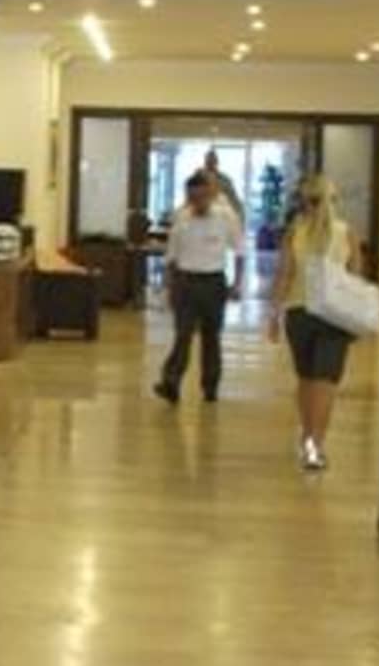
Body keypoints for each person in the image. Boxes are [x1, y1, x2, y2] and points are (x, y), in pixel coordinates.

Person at [266, 173, 358, 471]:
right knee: (325, 384)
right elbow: (354, 278)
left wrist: (273, 315)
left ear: (304, 202)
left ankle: (307, 438)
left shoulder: (294, 233)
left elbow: (284, 276)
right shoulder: (347, 234)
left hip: (300, 314)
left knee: (306, 380)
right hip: (334, 315)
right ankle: (315, 446)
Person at [153, 171, 244, 405]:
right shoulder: (181, 218)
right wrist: (168, 288)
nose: (197, 203)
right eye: (192, 198)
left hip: (213, 282)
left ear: (210, 195)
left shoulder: (226, 217)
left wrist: (237, 283)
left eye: (201, 197)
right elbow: (171, 255)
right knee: (183, 335)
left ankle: (210, 386)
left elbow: (239, 251)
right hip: (186, 282)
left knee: (211, 336)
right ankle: (171, 382)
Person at [199, 147, 245, 220]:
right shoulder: (198, 179)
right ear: (205, 163)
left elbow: (234, 200)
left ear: (217, 162)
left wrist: (240, 217)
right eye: (208, 162)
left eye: (213, 161)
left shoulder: (225, 180)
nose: (210, 165)